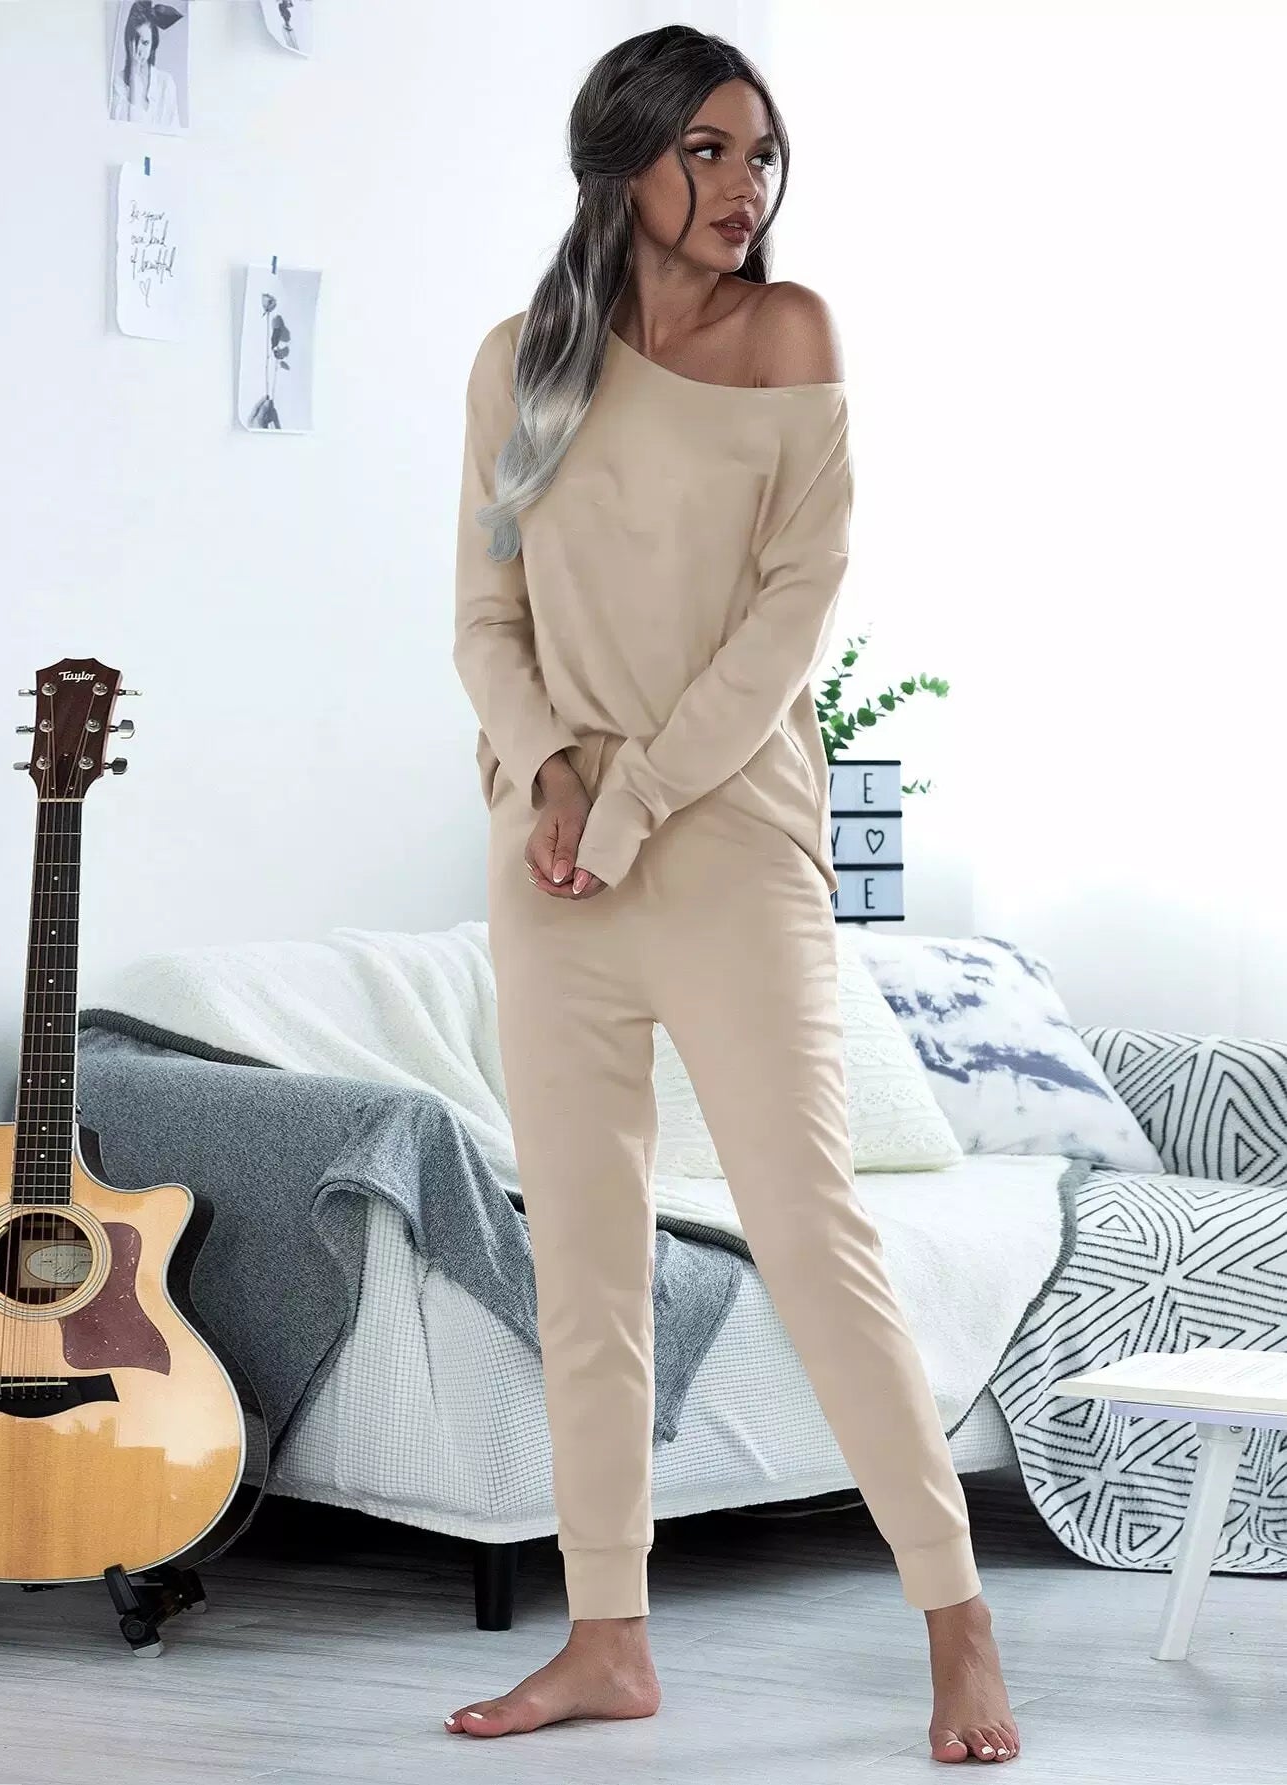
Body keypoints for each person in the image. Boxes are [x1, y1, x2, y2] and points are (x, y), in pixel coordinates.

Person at [446, 24, 1021, 1766]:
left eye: (759, 153)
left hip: (728, 849)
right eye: (704, 150)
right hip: (552, 860)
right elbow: (484, 617)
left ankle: (958, 1619)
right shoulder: (523, 363)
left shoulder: (792, 339)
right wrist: (547, 777)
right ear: (620, 158)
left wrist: (623, 803)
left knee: (811, 1231)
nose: (740, 185)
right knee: (584, 1260)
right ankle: (605, 1639)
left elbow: (791, 622)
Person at [109, 1, 183, 131]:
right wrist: (134, 74)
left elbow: (174, 130)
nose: (139, 50)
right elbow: (125, 131)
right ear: (128, 41)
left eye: (145, 43)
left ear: (153, 44)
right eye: (135, 41)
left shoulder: (166, 82)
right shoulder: (118, 82)